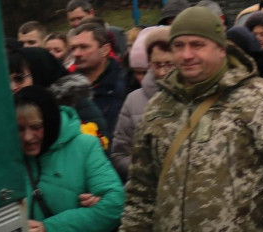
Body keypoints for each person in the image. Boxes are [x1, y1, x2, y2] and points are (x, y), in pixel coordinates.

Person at [122, 7, 263, 232]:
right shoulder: (157, 108)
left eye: (197, 45)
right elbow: (140, 194)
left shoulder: (262, 100)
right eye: (178, 46)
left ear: (221, 49)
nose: (186, 55)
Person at [17, 85, 124, 232]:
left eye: (36, 127)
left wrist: (50, 227)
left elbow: (115, 203)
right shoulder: (9, 155)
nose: (27, 137)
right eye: (20, 129)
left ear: (50, 123)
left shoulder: (85, 146)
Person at [111, 29, 174, 179]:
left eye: (169, 64)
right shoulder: (133, 101)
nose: (163, 72)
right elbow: (119, 155)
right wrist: (146, 169)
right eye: (157, 65)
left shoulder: (196, 97)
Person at [68, 22, 126, 136]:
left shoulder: (124, 84)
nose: (76, 53)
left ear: (105, 50)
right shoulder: (66, 88)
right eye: (73, 48)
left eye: (84, 47)